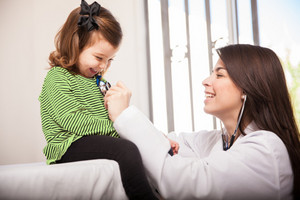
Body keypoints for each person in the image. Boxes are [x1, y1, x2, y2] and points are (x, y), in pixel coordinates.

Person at [105, 44, 300, 200]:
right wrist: (157, 138)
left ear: (247, 88)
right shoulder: (217, 140)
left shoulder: (266, 149)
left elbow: (182, 182)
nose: (206, 81)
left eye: (219, 74)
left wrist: (125, 115)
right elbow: (169, 145)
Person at [39, 1, 158, 199]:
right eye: (99, 57)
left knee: (140, 147)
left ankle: (159, 189)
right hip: (67, 145)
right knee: (126, 149)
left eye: (110, 59)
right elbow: (73, 121)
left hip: (93, 139)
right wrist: (121, 131)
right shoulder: (58, 77)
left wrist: (152, 135)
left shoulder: (100, 83)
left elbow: (118, 117)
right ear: (76, 45)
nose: (103, 66)